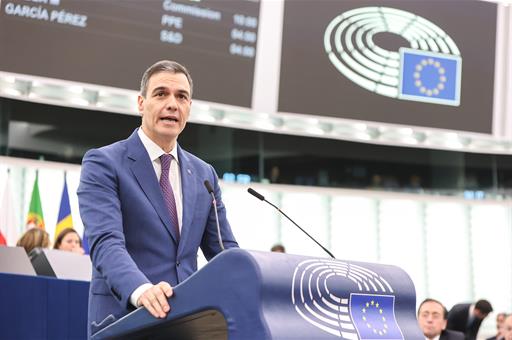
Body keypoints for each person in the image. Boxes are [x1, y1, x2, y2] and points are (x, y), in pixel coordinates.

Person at [77, 60, 238, 335]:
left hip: (190, 324)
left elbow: (224, 252)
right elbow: (106, 243)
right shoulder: (103, 163)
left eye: (182, 97)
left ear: (188, 108)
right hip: (125, 320)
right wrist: (141, 291)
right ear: (141, 103)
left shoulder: (204, 174)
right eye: (161, 94)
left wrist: (258, 279)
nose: (172, 104)